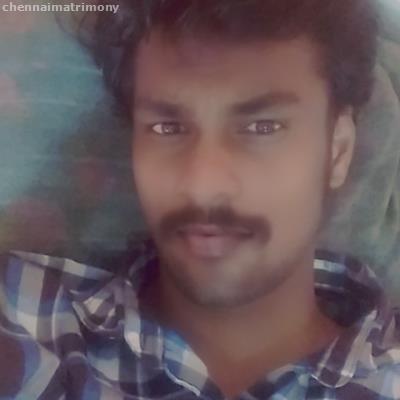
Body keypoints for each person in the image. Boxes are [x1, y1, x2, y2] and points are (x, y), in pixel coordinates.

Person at [1, 1, 399, 399]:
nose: (202, 183)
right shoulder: (21, 319)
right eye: (167, 127)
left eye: (263, 127)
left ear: (338, 151)